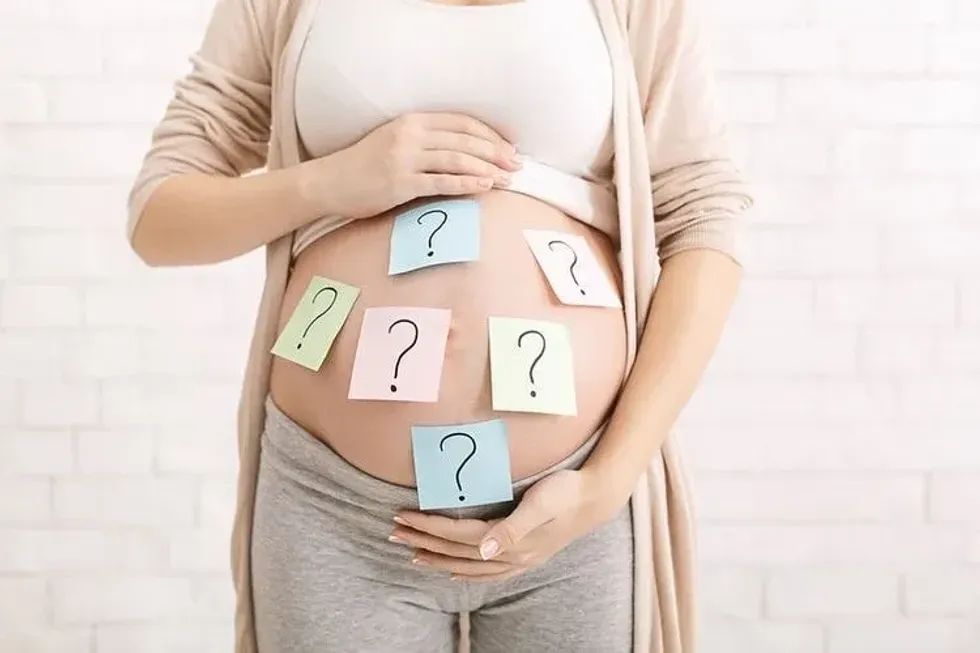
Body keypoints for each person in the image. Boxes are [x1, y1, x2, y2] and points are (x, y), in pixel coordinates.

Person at [126, 0, 754, 651]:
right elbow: (159, 216)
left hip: (572, 501)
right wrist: (332, 181)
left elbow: (703, 222)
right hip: (332, 504)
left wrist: (608, 480)